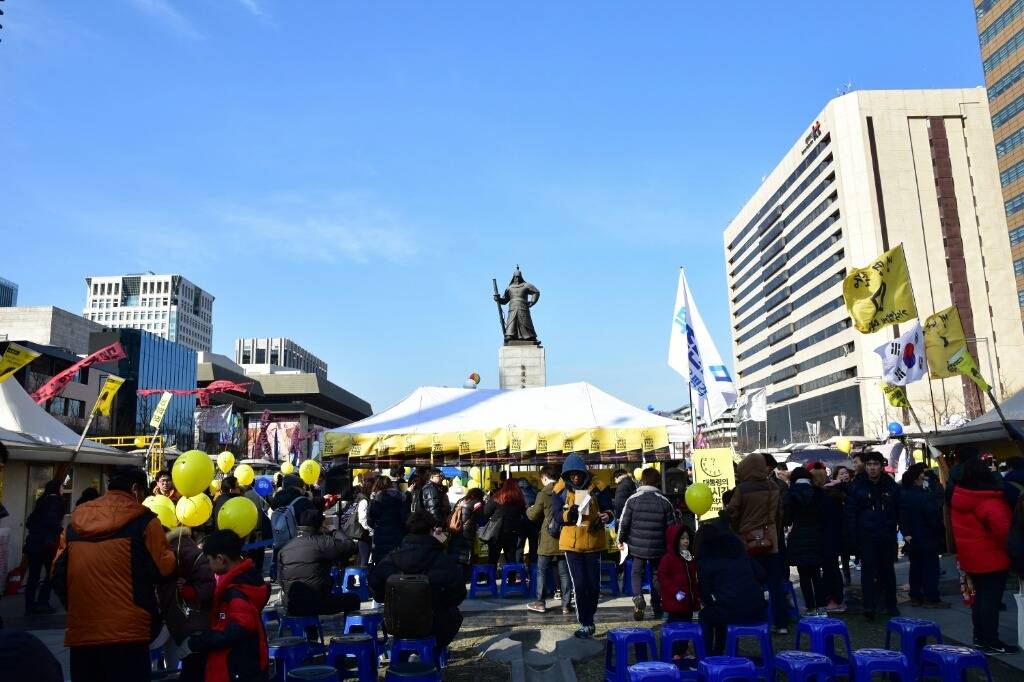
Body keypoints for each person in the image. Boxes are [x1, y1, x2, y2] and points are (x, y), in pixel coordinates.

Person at [52, 465, 177, 682]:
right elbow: (164, 570)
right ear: (136, 490)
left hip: (84, 632)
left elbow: (57, 574)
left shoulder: (75, 524)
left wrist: (76, 608)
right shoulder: (145, 522)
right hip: (129, 632)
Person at [369, 511, 467, 655]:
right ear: (432, 530)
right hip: (434, 624)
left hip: (396, 623)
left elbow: (375, 588)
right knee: (454, 614)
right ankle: (433, 652)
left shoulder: (392, 557)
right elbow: (458, 593)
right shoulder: (442, 559)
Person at [951, 456, 1019, 654]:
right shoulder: (988, 500)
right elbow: (1005, 532)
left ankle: (980, 638)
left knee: (978, 600)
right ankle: (991, 641)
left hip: (970, 558)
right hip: (991, 559)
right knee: (990, 601)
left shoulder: (960, 497)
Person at [188, 529, 271, 682]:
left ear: (220, 559)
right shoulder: (249, 579)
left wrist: (205, 640)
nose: (209, 566)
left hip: (238, 665)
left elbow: (240, 628)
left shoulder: (236, 591)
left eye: (209, 560)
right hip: (246, 662)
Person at [725, 453, 788, 634]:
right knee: (776, 584)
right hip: (771, 541)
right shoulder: (773, 487)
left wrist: (737, 529)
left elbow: (733, 513)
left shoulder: (743, 489)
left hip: (748, 541)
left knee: (752, 582)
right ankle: (781, 623)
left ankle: (757, 619)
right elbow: (779, 514)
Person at [558, 454, 613, 639]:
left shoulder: (598, 487)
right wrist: (569, 515)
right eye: (571, 475)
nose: (575, 478)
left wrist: (607, 516)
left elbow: (610, 508)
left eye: (578, 474)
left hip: (593, 542)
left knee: (594, 586)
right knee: (580, 585)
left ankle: (589, 616)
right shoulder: (560, 490)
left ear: (584, 472)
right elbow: (556, 516)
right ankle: (586, 623)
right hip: (571, 544)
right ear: (566, 475)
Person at [694, 520, 767, 655]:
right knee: (721, 610)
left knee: (707, 615)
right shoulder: (738, 552)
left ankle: (708, 656)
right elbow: (761, 574)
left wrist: (715, 598)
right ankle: (719, 651)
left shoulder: (705, 559)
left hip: (730, 611)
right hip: (757, 609)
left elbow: (704, 592)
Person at [618, 467, 680, 621]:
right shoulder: (665, 501)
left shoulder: (632, 499)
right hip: (659, 546)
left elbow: (624, 522)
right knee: (656, 575)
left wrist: (620, 539)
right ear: (658, 482)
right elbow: (671, 527)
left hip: (637, 546)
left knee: (636, 573)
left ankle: (638, 598)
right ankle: (657, 605)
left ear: (642, 481)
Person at [845, 450, 901, 621]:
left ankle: (890, 605)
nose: (872, 468)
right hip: (866, 537)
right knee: (868, 573)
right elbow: (850, 514)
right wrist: (853, 539)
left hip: (886, 535)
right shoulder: (857, 486)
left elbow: (898, 510)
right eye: (869, 465)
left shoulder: (891, 486)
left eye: (875, 464)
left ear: (881, 466)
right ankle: (869, 606)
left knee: (888, 572)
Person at [278, 509, 360, 618]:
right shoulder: (322, 542)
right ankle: (353, 634)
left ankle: (311, 633)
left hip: (292, 603)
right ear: (321, 525)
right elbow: (351, 547)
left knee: (307, 600)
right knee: (353, 599)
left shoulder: (285, 548)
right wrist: (334, 531)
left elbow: (280, 579)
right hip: (318, 602)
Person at [159, 525, 216, 681]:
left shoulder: (178, 546)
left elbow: (206, 580)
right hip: (180, 620)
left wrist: (190, 591)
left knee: (193, 666)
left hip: (191, 621)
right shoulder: (173, 547)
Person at [898, 463, 949, 610]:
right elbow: (932, 517)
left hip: (912, 538)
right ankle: (931, 597)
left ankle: (916, 595)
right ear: (916, 480)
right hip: (927, 536)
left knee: (916, 567)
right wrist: (940, 531)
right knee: (930, 568)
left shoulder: (903, 495)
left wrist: (906, 533)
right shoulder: (923, 496)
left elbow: (901, 516)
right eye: (921, 478)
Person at [526, 464, 573, 614]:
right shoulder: (566, 490)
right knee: (564, 573)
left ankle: (540, 603)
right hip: (564, 536)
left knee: (542, 571)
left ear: (544, 478)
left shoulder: (543, 493)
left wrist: (529, 508)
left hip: (547, 538)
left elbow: (533, 516)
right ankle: (566, 604)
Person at [785, 467, 825, 615]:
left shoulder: (790, 492)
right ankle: (822, 606)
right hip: (817, 535)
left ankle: (810, 607)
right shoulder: (818, 492)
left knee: (804, 575)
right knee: (817, 573)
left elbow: (787, 518)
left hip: (799, 534)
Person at [656, 524, 700, 657]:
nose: (686, 541)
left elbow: (693, 578)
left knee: (687, 625)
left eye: (687, 538)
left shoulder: (689, 557)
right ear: (675, 540)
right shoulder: (668, 558)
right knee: (675, 627)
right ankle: (674, 652)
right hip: (675, 602)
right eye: (682, 538)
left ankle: (683, 649)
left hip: (688, 601)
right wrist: (675, 591)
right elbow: (662, 576)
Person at [23, 479, 64, 616]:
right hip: (46, 546)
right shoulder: (55, 501)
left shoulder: (41, 501)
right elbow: (51, 521)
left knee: (33, 577)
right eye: (62, 487)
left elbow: (29, 522)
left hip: (33, 544)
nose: (63, 490)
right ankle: (42, 602)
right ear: (57, 489)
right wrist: (60, 531)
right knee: (51, 574)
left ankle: (29, 606)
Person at [815, 467, 847, 612]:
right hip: (835, 536)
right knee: (832, 568)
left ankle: (834, 599)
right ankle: (834, 598)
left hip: (827, 537)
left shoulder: (824, 496)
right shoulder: (833, 494)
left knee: (830, 569)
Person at [482, 478, 527, 566]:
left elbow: (486, 512)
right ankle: (511, 579)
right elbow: (523, 513)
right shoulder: (519, 499)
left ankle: (491, 578)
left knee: (493, 558)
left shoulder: (497, 497)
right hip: (512, 532)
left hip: (496, 532)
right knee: (511, 558)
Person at [369, 475, 408, 565]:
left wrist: (372, 501)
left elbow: (373, 515)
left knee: (381, 562)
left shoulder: (378, 497)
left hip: (381, 534)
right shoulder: (401, 497)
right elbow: (404, 516)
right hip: (397, 533)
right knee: (395, 561)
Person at [448, 487, 484, 580]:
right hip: (467, 531)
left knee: (456, 553)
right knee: (467, 554)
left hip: (456, 529)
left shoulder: (460, 501)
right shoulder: (477, 503)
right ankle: (467, 576)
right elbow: (482, 518)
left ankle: (456, 575)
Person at [516, 477, 540, 565]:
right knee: (534, 547)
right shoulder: (535, 491)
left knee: (519, 547)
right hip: (534, 522)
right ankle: (533, 570)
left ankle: (519, 570)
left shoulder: (516, 493)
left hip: (520, 522)